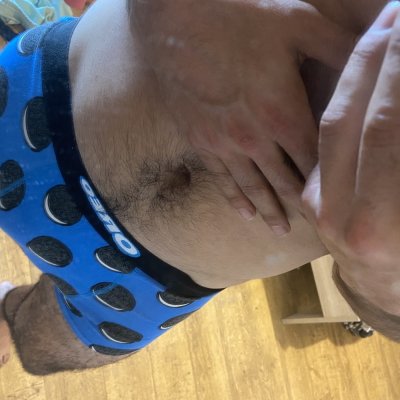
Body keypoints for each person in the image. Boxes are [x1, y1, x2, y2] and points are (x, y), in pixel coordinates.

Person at [0, 0, 394, 376]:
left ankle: (6, 308)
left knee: (38, 350)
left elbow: (382, 314)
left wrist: (381, 286)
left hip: (146, 286)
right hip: (43, 98)